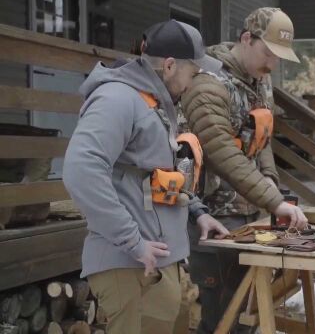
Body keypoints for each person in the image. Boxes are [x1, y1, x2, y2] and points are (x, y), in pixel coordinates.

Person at [63, 20, 229, 334]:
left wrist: (197, 213)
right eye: (192, 73)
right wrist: (133, 241)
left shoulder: (153, 102)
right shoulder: (118, 99)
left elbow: (159, 175)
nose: (192, 83)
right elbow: (81, 169)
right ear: (169, 65)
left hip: (154, 263)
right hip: (129, 267)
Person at [180, 7, 308, 334]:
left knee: (248, 310)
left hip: (249, 212)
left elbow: (262, 140)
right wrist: (274, 201)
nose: (273, 64)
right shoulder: (207, 84)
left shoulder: (256, 81)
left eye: (279, 57)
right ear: (246, 39)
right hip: (212, 216)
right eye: (268, 53)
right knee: (220, 316)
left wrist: (270, 180)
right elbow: (220, 150)